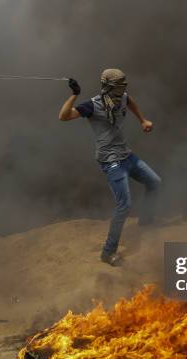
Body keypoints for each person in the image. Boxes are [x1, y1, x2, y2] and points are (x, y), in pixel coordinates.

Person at [58, 68, 161, 266]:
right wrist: (74, 95)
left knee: (155, 182)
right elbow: (64, 116)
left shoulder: (122, 97)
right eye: (118, 86)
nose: (122, 90)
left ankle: (146, 221)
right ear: (107, 87)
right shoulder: (93, 105)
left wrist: (143, 120)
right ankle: (108, 253)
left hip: (126, 155)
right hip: (111, 161)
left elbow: (130, 101)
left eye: (123, 86)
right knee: (124, 205)